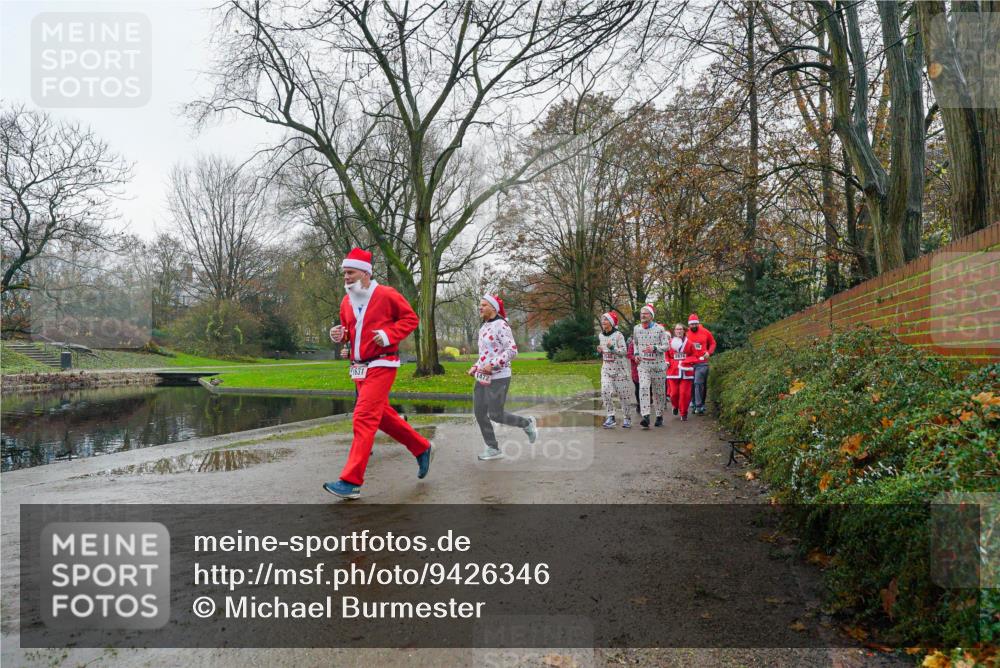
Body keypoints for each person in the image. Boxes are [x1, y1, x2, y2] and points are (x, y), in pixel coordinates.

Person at [323, 248, 434, 499]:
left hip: (383, 364)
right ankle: (422, 447)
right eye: (344, 273)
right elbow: (350, 332)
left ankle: (351, 481)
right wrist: (341, 336)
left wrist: (388, 335)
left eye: (350, 273)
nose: (346, 278)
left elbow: (410, 319)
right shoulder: (345, 301)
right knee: (382, 416)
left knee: (362, 417)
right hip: (360, 368)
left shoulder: (386, 294)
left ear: (365, 273)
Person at [469, 294, 537, 460]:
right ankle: (493, 448)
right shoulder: (483, 327)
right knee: (479, 412)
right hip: (482, 376)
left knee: (495, 414)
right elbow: (485, 355)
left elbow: (512, 351)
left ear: (493, 308)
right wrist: (475, 366)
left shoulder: (502, 325)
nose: (480, 307)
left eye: (484, 305)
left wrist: (493, 364)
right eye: (480, 305)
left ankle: (526, 424)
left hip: (500, 376)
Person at [632, 304, 668, 429]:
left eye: (646, 313)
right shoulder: (636, 328)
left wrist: (655, 348)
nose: (643, 315)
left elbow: (666, 346)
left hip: (658, 366)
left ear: (651, 316)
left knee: (659, 392)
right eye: (642, 313)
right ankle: (646, 416)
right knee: (643, 388)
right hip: (644, 366)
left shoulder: (660, 329)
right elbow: (635, 343)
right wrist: (636, 353)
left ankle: (659, 415)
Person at [597, 311, 632, 429]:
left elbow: (624, 352)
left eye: (606, 320)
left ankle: (627, 418)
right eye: (602, 320)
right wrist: (600, 351)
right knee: (605, 391)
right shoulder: (601, 335)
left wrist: (612, 348)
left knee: (623, 396)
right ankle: (611, 416)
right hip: (606, 369)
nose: (603, 322)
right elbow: (604, 350)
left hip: (619, 370)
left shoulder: (618, 335)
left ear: (611, 322)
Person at [686, 313, 717, 415]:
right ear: (689, 325)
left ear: (698, 323)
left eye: (695, 324)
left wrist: (709, 352)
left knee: (698, 383)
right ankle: (696, 403)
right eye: (692, 324)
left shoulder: (705, 332)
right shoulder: (686, 334)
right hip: (690, 363)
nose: (694, 326)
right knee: (693, 384)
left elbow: (713, 342)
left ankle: (699, 406)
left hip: (702, 362)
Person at [666, 323, 696, 421]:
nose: (679, 331)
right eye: (677, 329)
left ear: (684, 330)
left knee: (684, 393)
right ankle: (675, 406)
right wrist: (667, 362)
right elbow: (666, 355)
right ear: (674, 331)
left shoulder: (689, 343)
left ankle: (684, 413)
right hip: (673, 371)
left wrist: (686, 361)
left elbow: (694, 355)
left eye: (680, 329)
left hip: (686, 371)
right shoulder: (670, 342)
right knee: (674, 393)